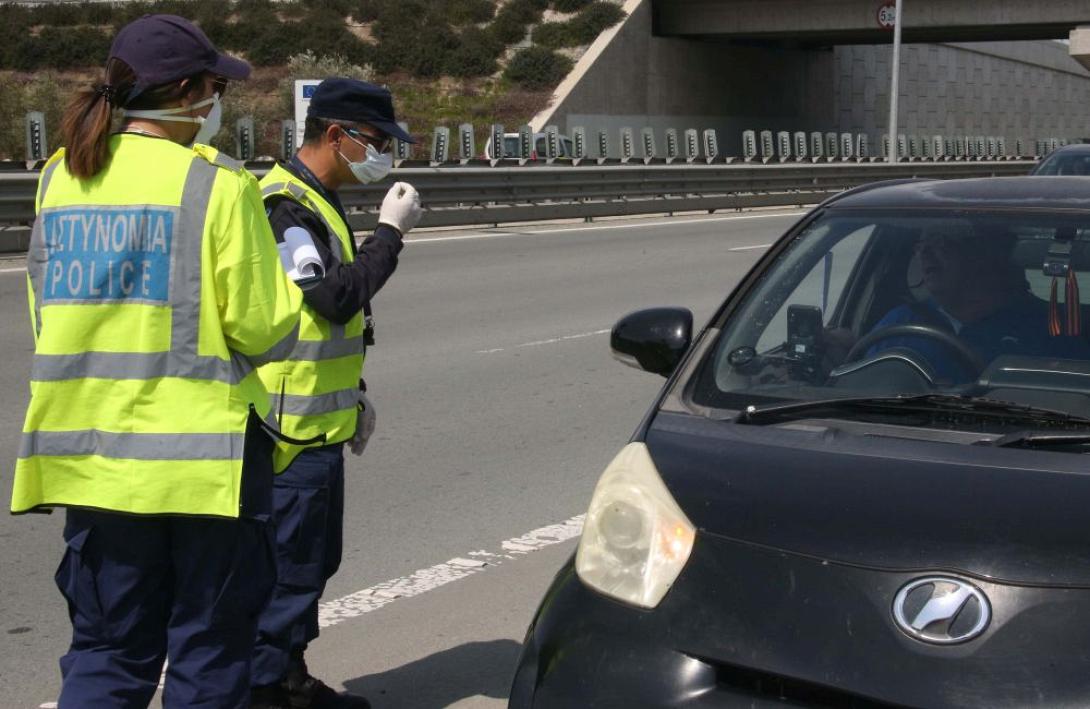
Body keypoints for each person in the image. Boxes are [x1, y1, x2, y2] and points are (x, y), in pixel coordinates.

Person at [10, 15, 302, 709]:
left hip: (92, 462)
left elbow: (44, 314)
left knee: (107, 653)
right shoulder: (216, 185)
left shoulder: (60, 179)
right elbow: (264, 330)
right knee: (208, 655)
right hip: (203, 470)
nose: (216, 101)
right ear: (184, 94)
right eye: (212, 86)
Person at [250, 78, 421, 709]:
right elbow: (333, 296)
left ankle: (288, 678)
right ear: (334, 135)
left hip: (320, 421)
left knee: (313, 565)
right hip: (288, 433)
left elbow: (325, 323)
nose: (382, 156)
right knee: (287, 572)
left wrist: (354, 391)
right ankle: (265, 691)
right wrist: (390, 235)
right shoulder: (284, 205)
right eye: (375, 142)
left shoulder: (317, 198)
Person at [864, 221, 1090, 381]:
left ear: (981, 255)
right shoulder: (899, 324)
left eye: (940, 242)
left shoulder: (1050, 329)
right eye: (920, 246)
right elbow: (858, 386)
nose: (925, 254)